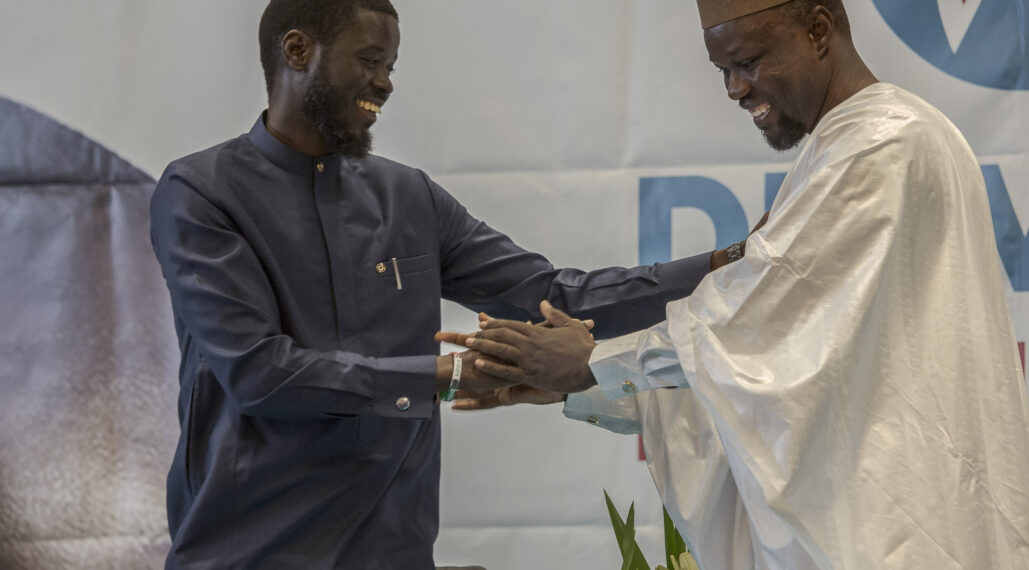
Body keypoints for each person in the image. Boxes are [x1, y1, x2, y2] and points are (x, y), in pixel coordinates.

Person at [444, 0, 1029, 568]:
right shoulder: (850, 145)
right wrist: (584, 385)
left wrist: (591, 365)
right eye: (723, 70)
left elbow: (748, 333)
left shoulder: (880, 144)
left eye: (749, 61)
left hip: (902, 529)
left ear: (818, 30)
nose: (735, 89)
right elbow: (782, 372)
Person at [148, 0, 744, 567]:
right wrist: (450, 373)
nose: (385, 83)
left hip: (393, 551)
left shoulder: (408, 196)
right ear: (298, 50)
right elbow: (260, 373)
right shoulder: (202, 192)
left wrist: (731, 262)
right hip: (251, 549)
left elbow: (555, 297)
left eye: (391, 66)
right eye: (370, 60)